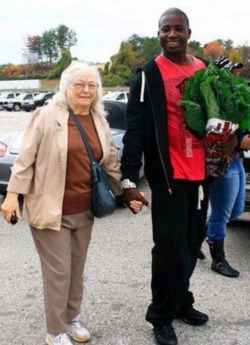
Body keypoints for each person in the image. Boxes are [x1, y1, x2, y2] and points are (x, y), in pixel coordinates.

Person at [0, 61, 142, 345]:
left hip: (85, 210)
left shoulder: (98, 119)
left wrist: (128, 190)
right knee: (59, 272)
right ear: (66, 87)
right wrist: (12, 196)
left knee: (76, 270)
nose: (86, 90)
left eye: (92, 85)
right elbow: (25, 159)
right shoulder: (47, 115)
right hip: (51, 209)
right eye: (79, 84)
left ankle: (72, 317)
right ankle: (55, 330)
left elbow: (111, 162)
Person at [120, 8, 212, 345]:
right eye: (164, 29)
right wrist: (128, 180)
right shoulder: (147, 75)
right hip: (169, 175)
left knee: (192, 243)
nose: (171, 34)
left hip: (202, 177)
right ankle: (160, 314)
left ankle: (180, 301)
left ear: (189, 31)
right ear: (158, 33)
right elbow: (134, 130)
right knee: (170, 249)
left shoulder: (204, 68)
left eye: (177, 28)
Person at [205, 58, 246, 278]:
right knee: (222, 214)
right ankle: (218, 261)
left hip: (236, 160)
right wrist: (240, 139)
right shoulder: (212, 100)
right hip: (220, 163)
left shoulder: (235, 96)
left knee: (236, 211)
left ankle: (198, 236)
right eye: (231, 72)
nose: (235, 76)